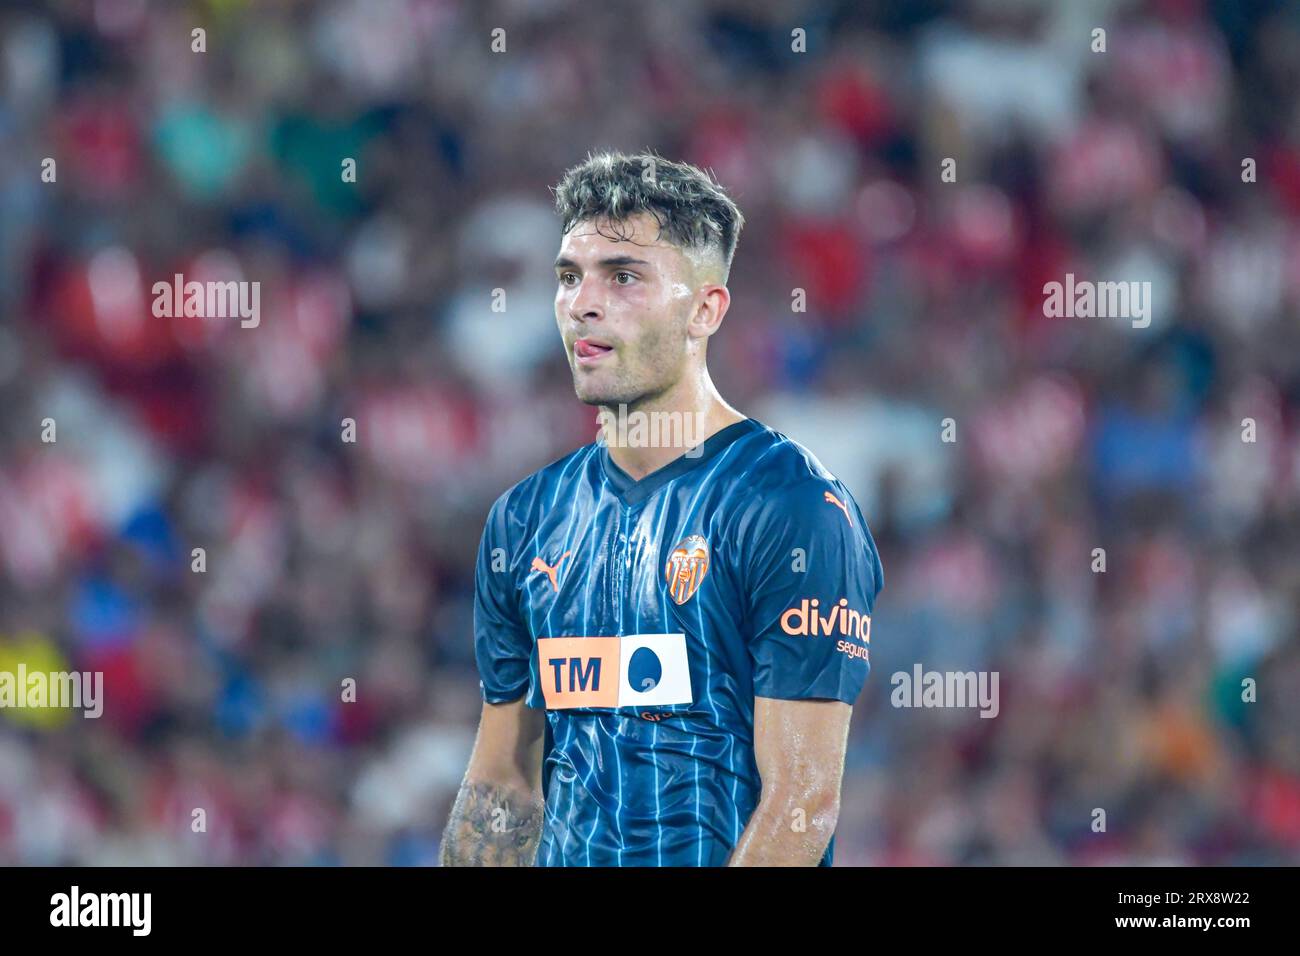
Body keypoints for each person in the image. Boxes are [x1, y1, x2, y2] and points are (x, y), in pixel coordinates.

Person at [440, 151, 883, 866]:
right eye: (568, 276)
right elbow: (505, 785)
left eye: (622, 276)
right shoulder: (523, 520)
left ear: (704, 309)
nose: (583, 302)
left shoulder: (792, 507)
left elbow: (802, 804)